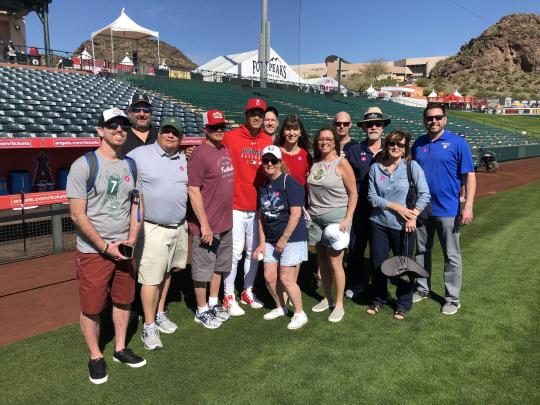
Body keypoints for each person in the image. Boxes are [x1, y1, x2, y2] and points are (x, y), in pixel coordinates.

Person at [67, 108, 146, 384]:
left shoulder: (131, 165)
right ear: (100, 130)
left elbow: (137, 204)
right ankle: (95, 355)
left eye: (124, 125)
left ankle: (120, 348)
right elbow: (78, 214)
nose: (119, 129)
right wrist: (103, 247)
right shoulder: (84, 165)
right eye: (112, 125)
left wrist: (133, 239)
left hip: (124, 247)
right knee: (91, 306)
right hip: (94, 251)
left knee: (124, 300)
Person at [127, 117, 188, 350]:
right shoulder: (140, 154)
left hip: (177, 226)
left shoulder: (182, 157)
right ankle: (149, 326)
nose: (171, 135)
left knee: (166, 272)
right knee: (151, 279)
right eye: (167, 131)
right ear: (159, 132)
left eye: (176, 133)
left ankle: (160, 313)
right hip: (153, 227)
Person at [412, 102, 476, 315]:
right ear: (424, 121)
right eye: (430, 118)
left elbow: (469, 175)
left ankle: (452, 298)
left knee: (451, 255)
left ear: (445, 119)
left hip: (448, 209)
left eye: (438, 117)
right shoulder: (418, 144)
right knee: (421, 251)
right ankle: (422, 289)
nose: (434, 121)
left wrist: (468, 206)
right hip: (422, 209)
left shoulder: (458, 143)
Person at [366, 131, 430, 320]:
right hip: (379, 223)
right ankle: (379, 299)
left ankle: (403, 303)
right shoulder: (376, 168)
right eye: (392, 144)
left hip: (404, 226)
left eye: (400, 145)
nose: (396, 147)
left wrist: (413, 216)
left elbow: (424, 194)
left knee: (402, 267)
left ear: (405, 148)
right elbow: (371, 197)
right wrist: (395, 207)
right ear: (386, 146)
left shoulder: (412, 167)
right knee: (378, 265)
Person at [221, 97, 273, 316]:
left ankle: (247, 290)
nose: (256, 117)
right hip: (235, 204)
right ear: (246, 114)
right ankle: (228, 295)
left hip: (258, 206)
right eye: (253, 113)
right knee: (234, 253)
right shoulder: (230, 137)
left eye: (260, 114)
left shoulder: (267, 140)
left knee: (254, 252)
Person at [187, 110, 234, 329]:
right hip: (207, 225)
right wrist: (204, 224)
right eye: (214, 127)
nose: (219, 131)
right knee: (202, 270)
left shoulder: (224, 148)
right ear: (205, 129)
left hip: (225, 222)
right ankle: (202, 309)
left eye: (221, 127)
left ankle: (213, 303)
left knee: (219, 266)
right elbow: (193, 190)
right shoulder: (199, 154)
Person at [254, 145, 309, 329]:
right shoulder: (264, 185)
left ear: (279, 163)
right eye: (266, 160)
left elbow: (295, 214)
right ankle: (281, 307)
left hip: (291, 237)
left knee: (286, 279)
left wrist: (284, 239)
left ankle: (300, 313)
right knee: (269, 277)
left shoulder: (289, 182)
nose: (269, 164)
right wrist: (262, 243)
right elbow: (261, 216)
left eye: (273, 161)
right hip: (270, 238)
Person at [307, 126, 358, 322]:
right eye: (321, 139)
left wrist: (348, 218)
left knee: (336, 264)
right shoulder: (315, 162)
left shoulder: (341, 163)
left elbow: (354, 193)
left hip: (336, 219)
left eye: (328, 139)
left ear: (334, 142)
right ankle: (326, 298)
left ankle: (339, 304)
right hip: (315, 219)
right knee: (322, 262)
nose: (324, 142)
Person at [344, 107, 388, 298]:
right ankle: (355, 284)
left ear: (383, 127)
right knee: (356, 248)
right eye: (369, 124)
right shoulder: (354, 151)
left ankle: (380, 287)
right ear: (363, 128)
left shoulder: (392, 148)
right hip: (360, 208)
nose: (373, 127)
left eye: (377, 124)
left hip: (384, 210)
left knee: (380, 251)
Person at [273, 114, 312, 186]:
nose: (291, 133)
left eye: (295, 129)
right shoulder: (275, 153)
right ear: (283, 132)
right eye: (288, 129)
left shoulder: (306, 155)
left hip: (299, 196)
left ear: (300, 133)